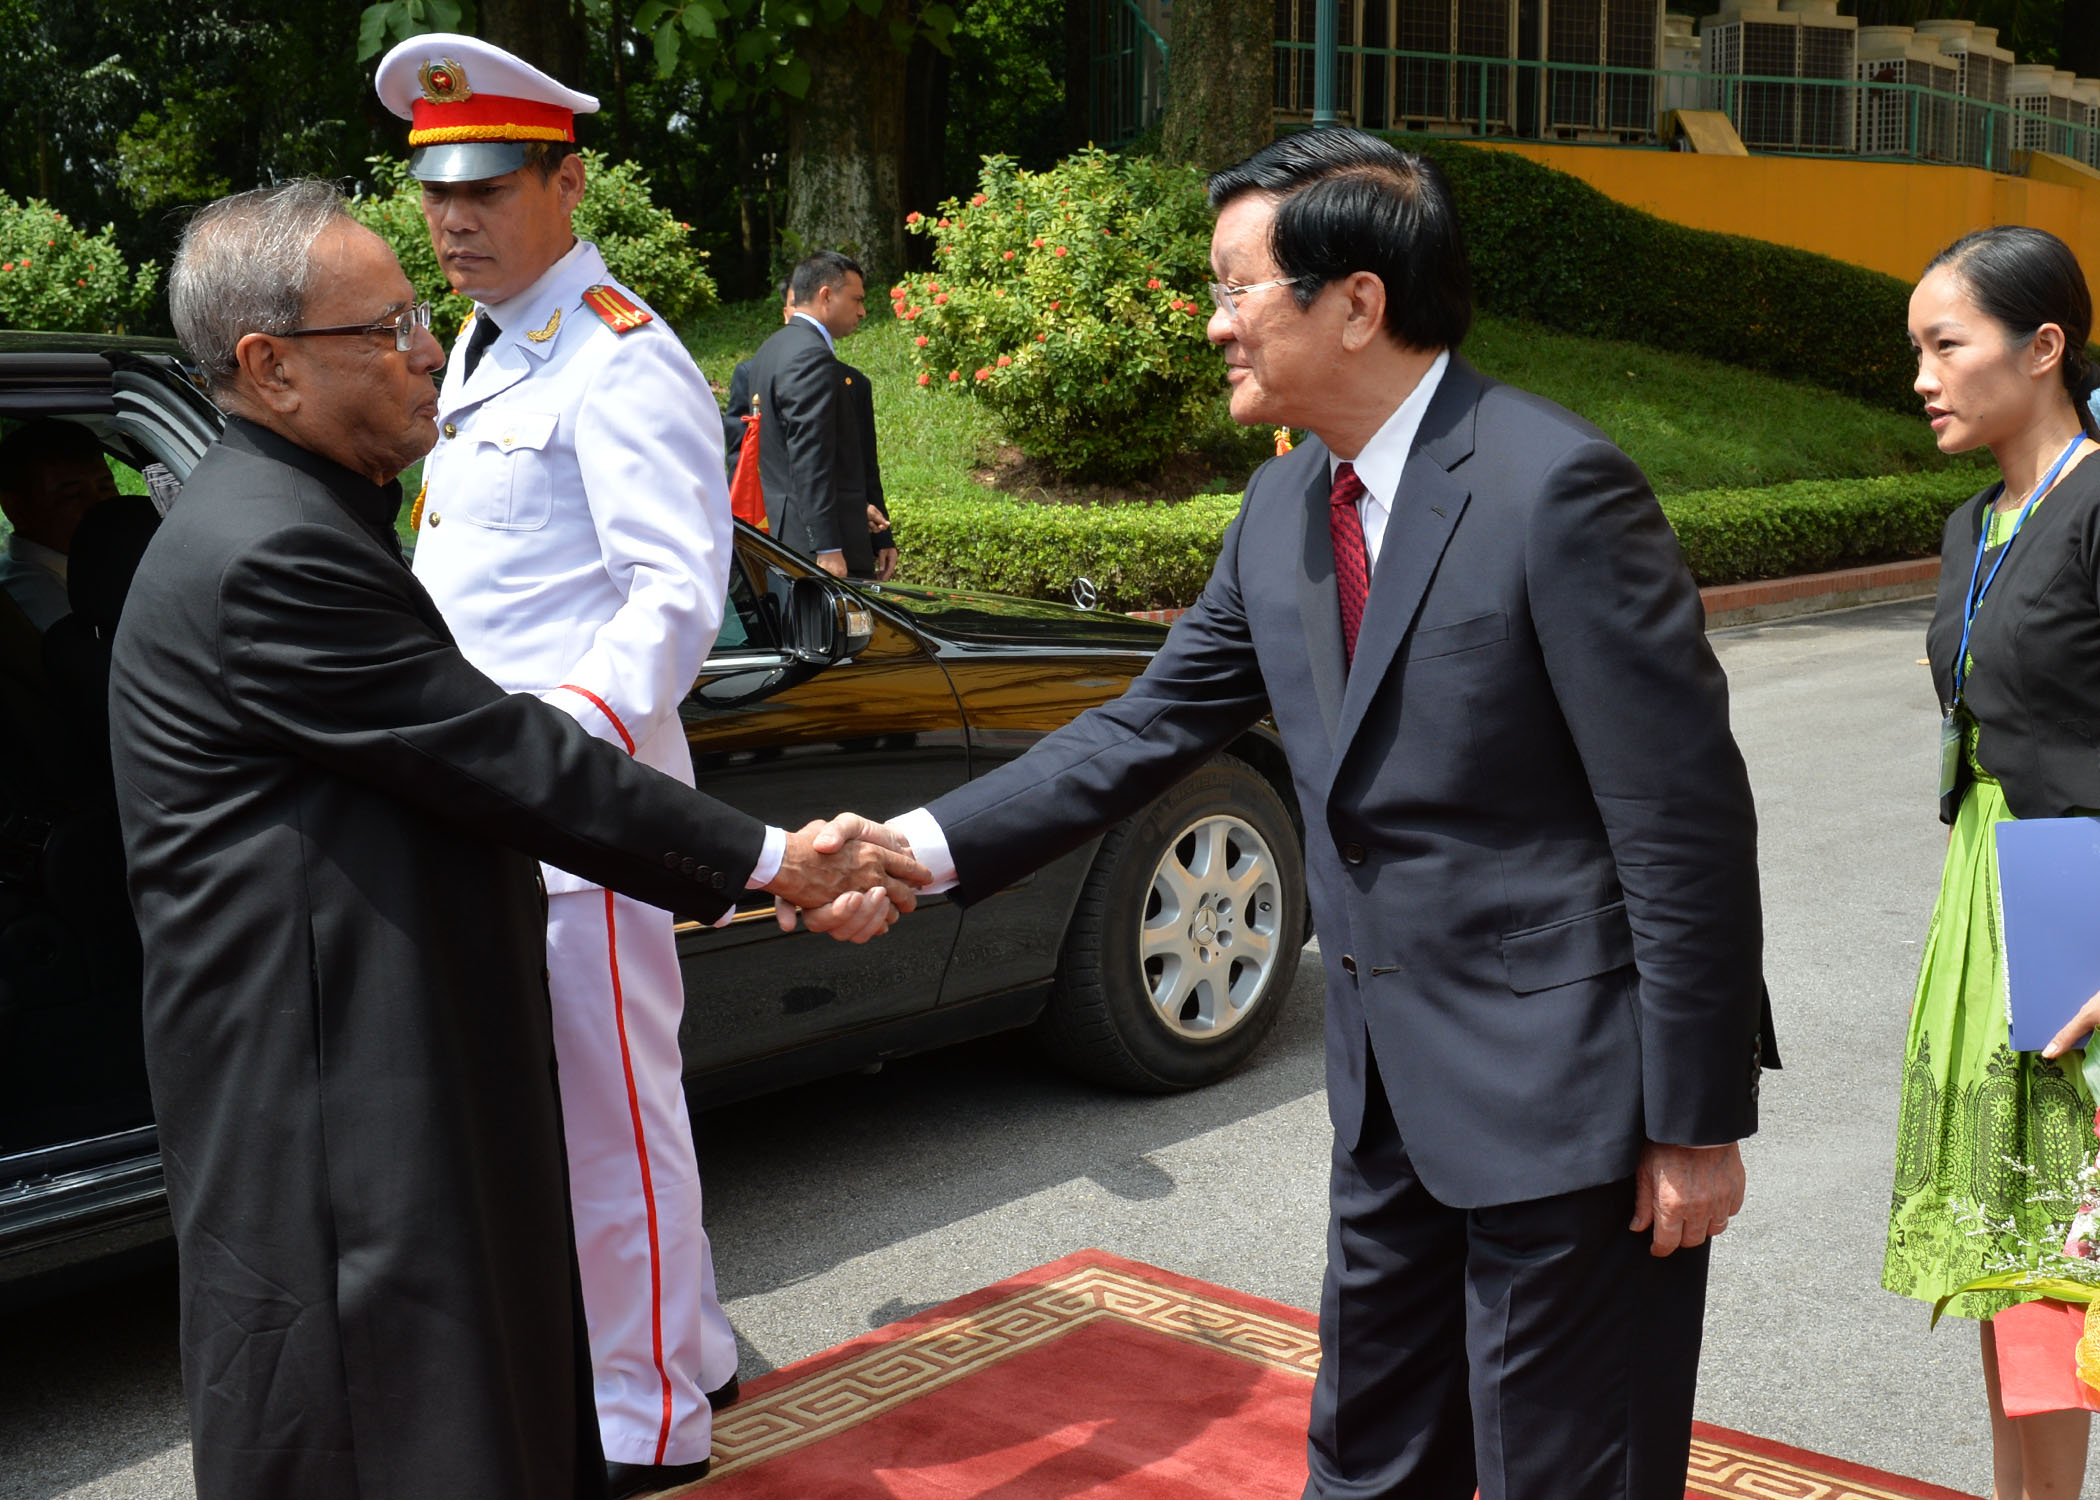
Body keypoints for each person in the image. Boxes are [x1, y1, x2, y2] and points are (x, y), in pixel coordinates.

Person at [829, 128, 1769, 1500]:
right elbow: (1143, 730)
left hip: (1576, 1107)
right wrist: (912, 852)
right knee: (1368, 1454)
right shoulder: (1282, 507)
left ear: (1358, 302)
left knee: (1564, 1468)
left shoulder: (1553, 488)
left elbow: (1681, 822)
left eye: (1233, 288)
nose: (1212, 324)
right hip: (1388, 1092)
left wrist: (1695, 1119)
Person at [110, 179, 921, 1500]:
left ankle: (648, 1390)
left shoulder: (320, 500)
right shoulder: (273, 551)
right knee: (386, 1414)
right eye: (381, 331)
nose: (425, 345)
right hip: (336, 1097)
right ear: (268, 367)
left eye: (419, 316)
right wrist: (777, 863)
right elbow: (497, 753)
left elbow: (660, 599)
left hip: (379, 1033)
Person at [374, 35, 772, 1495]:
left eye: (485, 185)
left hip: (573, 813)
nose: (455, 220)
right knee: (581, 1118)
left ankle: (648, 1417)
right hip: (497, 805)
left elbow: (675, 595)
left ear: (566, 178)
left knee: (613, 1123)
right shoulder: (487, 342)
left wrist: (556, 752)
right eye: (434, 192)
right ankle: (698, 1347)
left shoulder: (615, 348)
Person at [1883, 225, 2100, 1500]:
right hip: (1989, 880)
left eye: (1944, 344)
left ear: (2044, 346)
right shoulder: (1974, 524)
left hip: (2077, 886)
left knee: (2065, 1257)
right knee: (2004, 1248)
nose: (1920, 373)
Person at [726, 280, 895, 578]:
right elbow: (750, 459)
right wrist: (826, 546)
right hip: (791, 537)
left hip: (838, 535)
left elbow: (862, 467)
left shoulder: (852, 382)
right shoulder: (758, 369)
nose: (862, 311)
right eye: (856, 300)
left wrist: (873, 526)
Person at [0, 418, 117, 630]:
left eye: (106, 487)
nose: (100, 505)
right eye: (73, 495)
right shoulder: (44, 604)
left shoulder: (91, 571)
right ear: (17, 509)